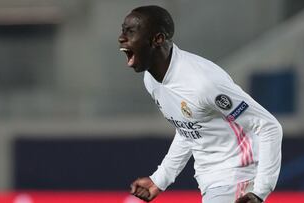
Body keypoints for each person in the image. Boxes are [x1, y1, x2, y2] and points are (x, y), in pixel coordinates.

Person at [118, 5, 282, 203]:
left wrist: (260, 191)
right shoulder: (151, 80)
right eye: (122, 30)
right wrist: (159, 180)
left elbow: (269, 126)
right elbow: (188, 127)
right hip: (211, 182)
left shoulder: (203, 83)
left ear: (157, 39)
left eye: (130, 31)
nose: (121, 38)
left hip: (238, 178)